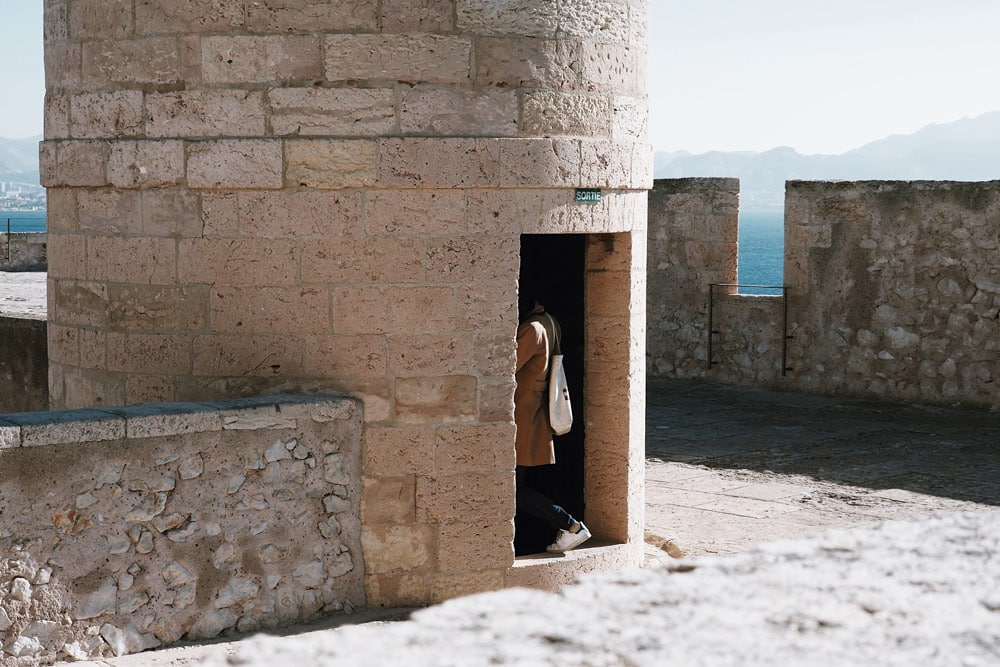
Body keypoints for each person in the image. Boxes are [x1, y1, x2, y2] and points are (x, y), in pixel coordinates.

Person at [514, 294, 591, 553]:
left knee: (512, 489)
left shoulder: (531, 329)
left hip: (522, 419)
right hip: (533, 417)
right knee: (514, 487)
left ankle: (571, 526)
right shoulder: (549, 322)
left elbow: (507, 368)